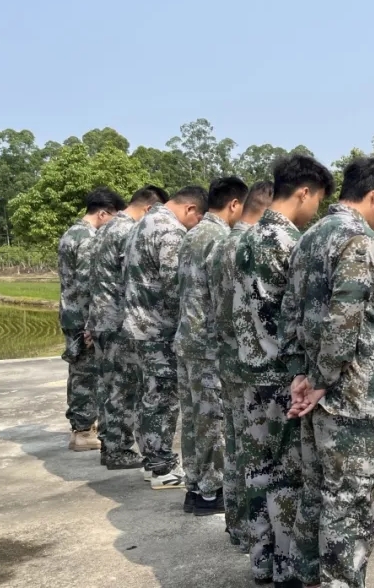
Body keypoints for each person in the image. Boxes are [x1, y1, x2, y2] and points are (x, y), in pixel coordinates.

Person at [283, 157, 374, 588]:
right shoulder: (358, 239)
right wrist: (319, 381)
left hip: (317, 389)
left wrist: (301, 376)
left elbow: (290, 313)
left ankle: (308, 577)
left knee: (317, 491)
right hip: (352, 394)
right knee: (351, 500)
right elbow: (344, 321)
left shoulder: (309, 237)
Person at [234, 155, 333, 587]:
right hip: (282, 378)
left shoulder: (247, 238)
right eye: (318, 200)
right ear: (304, 192)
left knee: (258, 470)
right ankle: (289, 568)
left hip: (250, 373)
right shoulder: (290, 243)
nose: (316, 210)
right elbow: (300, 317)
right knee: (289, 475)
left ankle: (262, 563)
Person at [122, 185, 207, 489]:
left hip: (139, 325)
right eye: (197, 220)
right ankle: (161, 467)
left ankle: (152, 461)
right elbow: (176, 286)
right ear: (190, 209)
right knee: (162, 399)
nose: (194, 226)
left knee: (149, 396)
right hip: (159, 328)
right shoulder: (170, 231)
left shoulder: (140, 223)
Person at [174, 176, 249, 515]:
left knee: (192, 419)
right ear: (234, 204)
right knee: (212, 420)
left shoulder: (190, 235)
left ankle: (194, 486)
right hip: (209, 344)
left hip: (188, 339)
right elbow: (226, 297)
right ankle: (211, 490)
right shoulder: (220, 239)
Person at [87, 185, 169, 470]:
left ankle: (110, 445)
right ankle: (117, 449)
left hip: (101, 319)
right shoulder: (127, 231)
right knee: (124, 389)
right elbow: (131, 281)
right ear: (149, 208)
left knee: (109, 386)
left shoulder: (106, 228)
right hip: (117, 322)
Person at [211, 180, 274, 550]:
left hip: (228, 357)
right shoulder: (252, 245)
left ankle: (238, 526)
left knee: (235, 446)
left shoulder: (223, 243)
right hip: (251, 362)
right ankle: (256, 532)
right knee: (256, 451)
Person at [59, 187, 126, 454]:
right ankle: (84, 431)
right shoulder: (88, 239)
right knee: (86, 375)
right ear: (103, 213)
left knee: (78, 372)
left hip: (71, 312)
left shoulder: (70, 234)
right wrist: (92, 322)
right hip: (83, 316)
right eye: (113, 217)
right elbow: (89, 284)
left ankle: (81, 427)